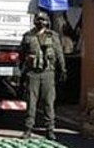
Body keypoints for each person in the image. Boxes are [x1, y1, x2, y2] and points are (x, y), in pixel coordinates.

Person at [20, 11, 67, 140]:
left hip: (48, 73)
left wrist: (63, 69)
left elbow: (59, 53)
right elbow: (21, 54)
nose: (40, 22)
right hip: (32, 73)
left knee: (48, 102)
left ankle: (50, 129)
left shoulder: (52, 36)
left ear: (47, 22)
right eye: (38, 20)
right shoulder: (28, 36)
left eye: (43, 20)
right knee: (31, 102)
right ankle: (28, 128)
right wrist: (22, 70)